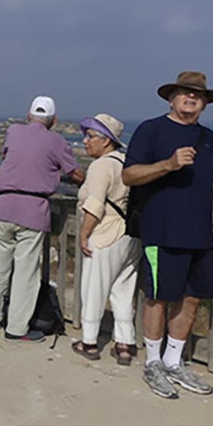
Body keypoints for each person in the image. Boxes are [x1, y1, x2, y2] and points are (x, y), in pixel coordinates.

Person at [123, 71, 213, 399]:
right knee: (158, 297)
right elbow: (129, 174)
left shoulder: (208, 137)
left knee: (192, 297)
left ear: (205, 103)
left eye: (198, 95)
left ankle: (173, 362)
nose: (191, 98)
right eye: (185, 93)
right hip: (162, 231)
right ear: (171, 98)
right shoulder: (151, 130)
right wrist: (167, 164)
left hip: (200, 233)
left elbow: (204, 178)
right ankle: (153, 363)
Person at [0, 96, 85, 342]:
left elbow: (9, 156)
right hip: (32, 210)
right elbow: (75, 174)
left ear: (29, 115)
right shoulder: (58, 141)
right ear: (54, 120)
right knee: (25, 273)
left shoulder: (13, 132)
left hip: (2, 206)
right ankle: (16, 329)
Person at [74, 113, 141, 364]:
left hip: (104, 234)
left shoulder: (101, 165)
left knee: (93, 288)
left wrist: (84, 234)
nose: (85, 141)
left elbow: (95, 205)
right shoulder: (126, 163)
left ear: (106, 141)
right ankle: (125, 343)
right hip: (129, 236)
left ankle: (89, 341)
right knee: (123, 290)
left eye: (90, 136)